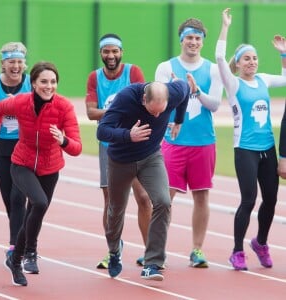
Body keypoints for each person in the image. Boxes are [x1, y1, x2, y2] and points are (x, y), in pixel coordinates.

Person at [0, 61, 82, 286]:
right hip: (22, 163)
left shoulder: (64, 107)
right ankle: (19, 258)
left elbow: (76, 147)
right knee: (38, 203)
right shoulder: (20, 102)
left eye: (53, 82)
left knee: (36, 210)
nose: (49, 86)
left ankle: (23, 255)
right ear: (33, 84)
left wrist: (64, 140)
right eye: (44, 82)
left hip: (50, 167)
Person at [97, 75, 197, 281]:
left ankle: (152, 263)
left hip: (151, 157)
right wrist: (127, 135)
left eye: (162, 111)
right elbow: (102, 130)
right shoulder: (126, 97)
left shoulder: (175, 91)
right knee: (116, 210)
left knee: (163, 201)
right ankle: (115, 250)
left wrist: (178, 120)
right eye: (153, 111)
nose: (158, 115)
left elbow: (186, 89)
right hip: (120, 160)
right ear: (144, 100)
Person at [216, 8, 286, 271]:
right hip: (244, 149)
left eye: (255, 58)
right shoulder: (233, 84)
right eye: (246, 58)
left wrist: (283, 53)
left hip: (268, 148)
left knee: (271, 199)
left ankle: (261, 243)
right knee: (248, 199)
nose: (252, 62)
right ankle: (237, 251)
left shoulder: (263, 80)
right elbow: (219, 57)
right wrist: (225, 26)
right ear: (238, 63)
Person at [155, 18, 223, 268]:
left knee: (202, 196)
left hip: (203, 141)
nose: (193, 42)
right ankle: (156, 250)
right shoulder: (166, 67)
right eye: (189, 37)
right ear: (181, 39)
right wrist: (176, 89)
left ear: (202, 41)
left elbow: (215, 105)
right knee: (164, 197)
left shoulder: (213, 69)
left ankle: (197, 250)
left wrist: (195, 91)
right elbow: (158, 102)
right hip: (173, 141)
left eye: (198, 38)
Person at [85, 33, 152, 268]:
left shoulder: (133, 73)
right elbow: (90, 113)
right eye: (106, 51)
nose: (111, 55)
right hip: (109, 146)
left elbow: (144, 104)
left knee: (144, 198)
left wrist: (112, 112)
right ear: (101, 53)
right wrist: (121, 111)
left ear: (121, 52)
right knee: (111, 202)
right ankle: (113, 249)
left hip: (135, 144)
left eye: (115, 51)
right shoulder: (94, 77)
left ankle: (150, 252)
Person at [0, 42, 31, 262]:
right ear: (2, 64)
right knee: (8, 199)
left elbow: (40, 109)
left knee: (17, 197)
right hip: (2, 146)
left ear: (25, 64)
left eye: (19, 62)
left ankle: (17, 248)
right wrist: (4, 108)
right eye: (11, 62)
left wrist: (19, 108)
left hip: (26, 145)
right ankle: (21, 242)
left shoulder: (32, 83)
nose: (15, 66)